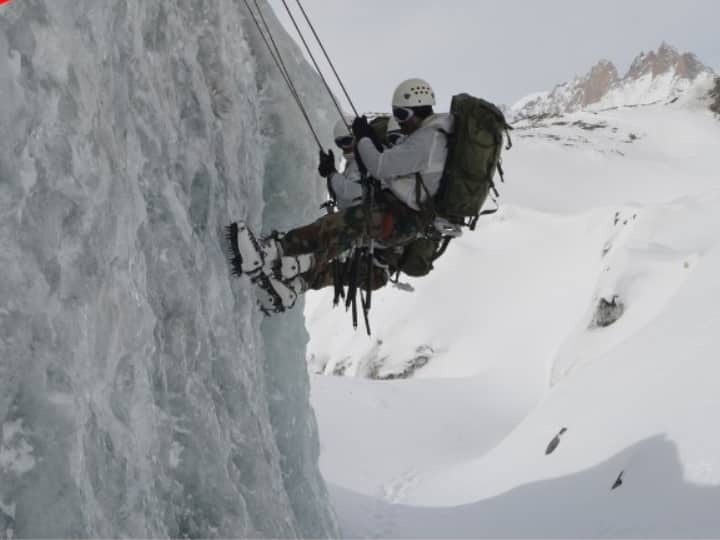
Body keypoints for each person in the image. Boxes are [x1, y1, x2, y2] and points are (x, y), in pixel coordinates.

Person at [227, 78, 452, 313]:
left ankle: (273, 253)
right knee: (340, 234)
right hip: (400, 231)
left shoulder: (428, 140)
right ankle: (290, 278)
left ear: (418, 107)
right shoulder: (435, 138)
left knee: (343, 225)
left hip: (400, 223)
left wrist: (361, 142)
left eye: (402, 115)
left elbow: (379, 167)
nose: (403, 127)